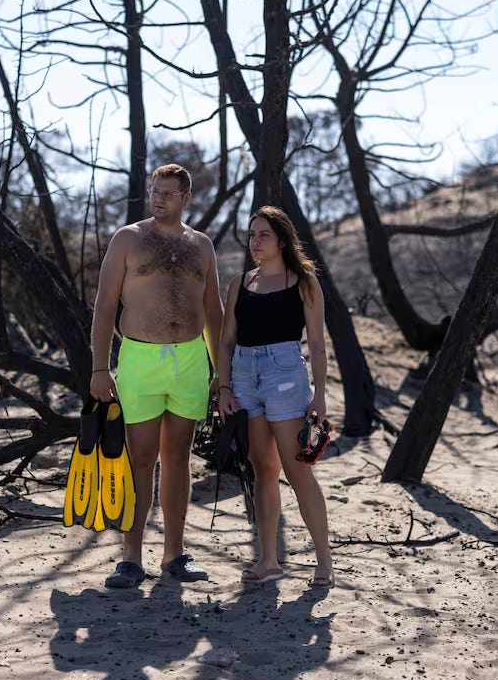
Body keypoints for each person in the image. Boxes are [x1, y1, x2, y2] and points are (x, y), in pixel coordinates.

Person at [90, 164, 224, 589]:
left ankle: (175, 555)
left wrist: (221, 372)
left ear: (187, 198)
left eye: (168, 193)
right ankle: (130, 558)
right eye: (155, 191)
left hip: (189, 360)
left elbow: (214, 313)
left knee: (178, 457)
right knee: (140, 457)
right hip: (139, 361)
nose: (159, 198)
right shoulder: (128, 238)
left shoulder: (201, 246)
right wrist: (98, 367)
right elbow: (104, 306)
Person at [217, 205, 334, 588]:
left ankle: (324, 562)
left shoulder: (303, 282)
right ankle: (269, 561)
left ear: (282, 239)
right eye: (252, 235)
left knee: (298, 470)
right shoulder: (240, 282)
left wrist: (319, 396)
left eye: (263, 234)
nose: (256, 241)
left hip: (286, 375)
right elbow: (226, 341)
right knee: (262, 471)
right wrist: (224, 387)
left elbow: (317, 345)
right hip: (245, 377)